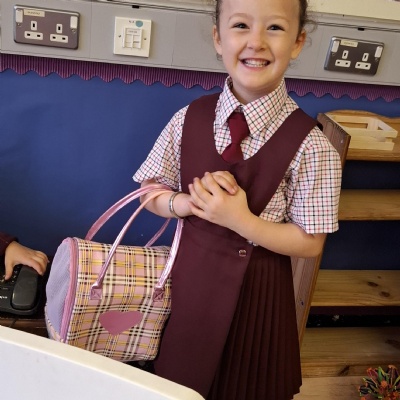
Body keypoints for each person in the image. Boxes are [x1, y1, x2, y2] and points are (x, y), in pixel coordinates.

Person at [133, 0, 342, 398]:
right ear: (218, 38)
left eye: (275, 28)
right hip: (186, 289)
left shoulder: (313, 146)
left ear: (298, 42)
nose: (256, 42)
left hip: (257, 299)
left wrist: (240, 220)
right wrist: (185, 204)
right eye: (241, 25)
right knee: (176, 383)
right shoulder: (188, 118)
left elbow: (310, 242)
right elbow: (149, 192)